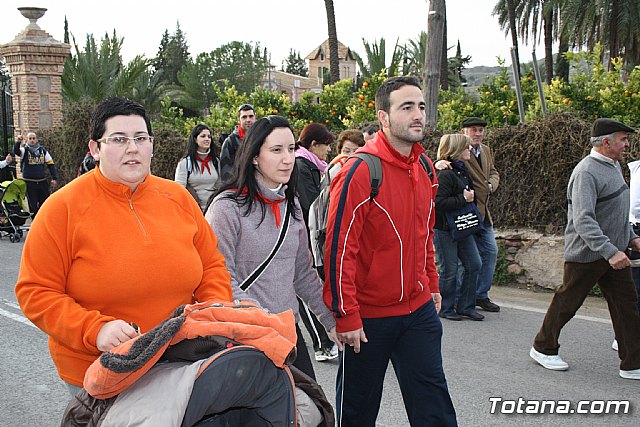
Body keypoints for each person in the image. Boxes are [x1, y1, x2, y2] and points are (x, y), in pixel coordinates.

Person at [14, 98, 233, 396]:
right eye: (118, 139)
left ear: (151, 146)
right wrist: (95, 330)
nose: (132, 148)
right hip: (101, 370)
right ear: (95, 149)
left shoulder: (178, 198)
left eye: (141, 138)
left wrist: (213, 311)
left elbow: (212, 265)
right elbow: (36, 292)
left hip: (182, 359)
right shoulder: (61, 209)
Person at [324, 76, 457, 426]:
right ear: (383, 117)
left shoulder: (425, 166)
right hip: (368, 318)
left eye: (421, 106)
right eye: (407, 107)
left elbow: (424, 233)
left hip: (418, 311)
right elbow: (340, 249)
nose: (418, 115)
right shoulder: (360, 170)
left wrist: (431, 283)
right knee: (358, 410)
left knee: (434, 406)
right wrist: (346, 315)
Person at [205, 115, 337, 380]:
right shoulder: (226, 208)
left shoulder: (292, 204)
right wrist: (263, 319)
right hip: (244, 337)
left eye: (291, 149)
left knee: (308, 404)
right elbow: (219, 277)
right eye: (276, 150)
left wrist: (332, 322)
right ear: (255, 156)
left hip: (288, 334)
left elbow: (303, 274)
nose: (288, 159)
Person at [529, 118, 640, 381]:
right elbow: (583, 219)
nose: (627, 145)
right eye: (623, 139)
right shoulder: (586, 172)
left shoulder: (614, 165)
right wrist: (610, 251)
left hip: (614, 253)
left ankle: (632, 363)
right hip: (588, 254)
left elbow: (616, 212)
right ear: (606, 142)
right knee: (567, 303)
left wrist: (632, 238)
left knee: (627, 307)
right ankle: (543, 348)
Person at [294, 122, 338, 362]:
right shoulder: (302, 166)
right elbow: (312, 204)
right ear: (314, 144)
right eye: (326, 145)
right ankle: (322, 343)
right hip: (306, 235)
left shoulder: (314, 166)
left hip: (314, 234)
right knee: (306, 288)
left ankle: (324, 340)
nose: (329, 150)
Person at [433, 134, 483, 321]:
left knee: (474, 264)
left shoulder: (461, 169)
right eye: (465, 147)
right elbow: (438, 202)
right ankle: (445, 307)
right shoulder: (446, 173)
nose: (469, 150)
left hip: (462, 227)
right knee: (450, 269)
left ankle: (466, 306)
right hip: (445, 229)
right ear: (456, 149)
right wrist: (463, 198)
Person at [460, 117, 501, 312]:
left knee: (491, 251)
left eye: (480, 130)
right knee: (466, 259)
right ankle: (460, 296)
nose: (477, 134)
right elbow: (444, 162)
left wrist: (491, 184)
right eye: (473, 130)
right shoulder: (460, 150)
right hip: (467, 213)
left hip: (484, 214)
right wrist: (439, 163)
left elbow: (493, 172)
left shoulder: (485, 150)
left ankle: (481, 295)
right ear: (464, 132)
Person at [174, 124, 221, 211]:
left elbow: (219, 186)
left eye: (209, 137)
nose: (207, 139)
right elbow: (179, 189)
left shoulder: (216, 162)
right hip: (193, 210)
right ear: (195, 139)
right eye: (203, 136)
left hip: (212, 209)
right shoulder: (185, 163)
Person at [13, 132, 58, 216]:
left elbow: (51, 164)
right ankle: (35, 220)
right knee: (32, 205)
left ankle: (43, 219)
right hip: (29, 182)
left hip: (42, 181)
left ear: (37, 139)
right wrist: (18, 142)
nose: (32, 140)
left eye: (34, 138)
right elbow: (16, 151)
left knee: (45, 203)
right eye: (30, 138)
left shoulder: (43, 151)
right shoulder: (24, 150)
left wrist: (54, 178)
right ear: (27, 140)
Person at [219, 103, 256, 182]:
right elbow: (225, 172)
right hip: (239, 185)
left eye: (251, 116)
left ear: (255, 118)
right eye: (244, 117)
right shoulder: (230, 142)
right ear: (239, 119)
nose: (248, 120)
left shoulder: (261, 138)